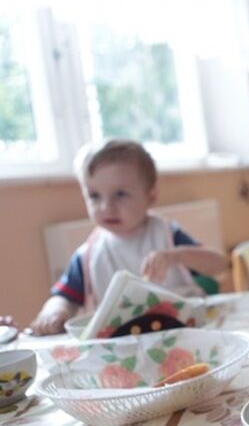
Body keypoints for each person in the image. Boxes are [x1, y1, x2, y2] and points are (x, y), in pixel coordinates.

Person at [29, 140, 228, 336]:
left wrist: (176, 257)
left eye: (120, 194)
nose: (106, 207)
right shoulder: (87, 255)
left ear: (151, 196)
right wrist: (54, 311)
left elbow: (220, 264)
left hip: (185, 333)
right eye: (94, 196)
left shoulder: (167, 235)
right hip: (122, 346)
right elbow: (65, 297)